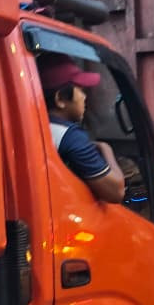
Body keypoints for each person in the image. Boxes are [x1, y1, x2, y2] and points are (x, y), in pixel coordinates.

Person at [38, 54, 126, 203]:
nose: (85, 97)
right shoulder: (70, 137)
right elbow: (116, 192)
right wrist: (106, 149)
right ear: (60, 99)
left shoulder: (38, 126)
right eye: (80, 90)